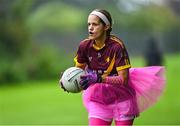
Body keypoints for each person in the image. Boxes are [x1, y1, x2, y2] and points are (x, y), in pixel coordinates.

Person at [72, 9, 165, 126]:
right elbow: (78, 73)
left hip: (122, 100)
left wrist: (99, 78)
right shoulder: (84, 46)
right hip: (98, 100)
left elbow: (123, 79)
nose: (90, 28)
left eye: (95, 24)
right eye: (89, 24)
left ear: (106, 26)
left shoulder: (117, 46)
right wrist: (69, 81)